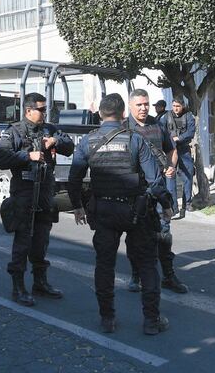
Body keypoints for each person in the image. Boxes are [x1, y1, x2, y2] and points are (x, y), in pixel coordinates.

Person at [69, 93, 172, 335]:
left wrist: (77, 206)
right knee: (147, 265)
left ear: (100, 114)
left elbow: (74, 178)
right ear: (124, 114)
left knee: (105, 266)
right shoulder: (135, 140)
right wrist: (166, 204)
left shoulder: (88, 141)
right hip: (136, 211)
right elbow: (155, 180)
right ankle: (151, 320)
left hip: (104, 211)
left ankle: (107, 319)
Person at [0, 92, 74, 306]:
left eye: (45, 109)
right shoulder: (15, 131)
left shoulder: (49, 129)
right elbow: (1, 157)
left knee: (41, 240)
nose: (44, 113)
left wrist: (56, 141)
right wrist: (27, 156)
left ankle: (40, 283)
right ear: (29, 110)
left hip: (45, 193)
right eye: (41, 109)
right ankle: (18, 287)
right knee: (23, 241)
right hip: (24, 193)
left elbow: (69, 146)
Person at [124, 89, 188, 294]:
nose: (143, 108)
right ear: (130, 106)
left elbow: (172, 149)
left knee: (164, 234)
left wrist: (171, 166)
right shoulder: (124, 128)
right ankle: (136, 276)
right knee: (135, 237)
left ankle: (168, 276)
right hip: (136, 191)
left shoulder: (157, 125)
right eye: (139, 105)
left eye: (146, 104)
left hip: (158, 190)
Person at [165, 96, 196, 217]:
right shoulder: (166, 116)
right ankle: (173, 207)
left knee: (188, 176)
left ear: (182, 106)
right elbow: (161, 130)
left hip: (183, 149)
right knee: (170, 177)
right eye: (174, 106)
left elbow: (191, 132)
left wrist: (179, 138)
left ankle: (187, 203)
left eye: (178, 106)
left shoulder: (188, 116)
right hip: (170, 150)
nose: (175, 108)